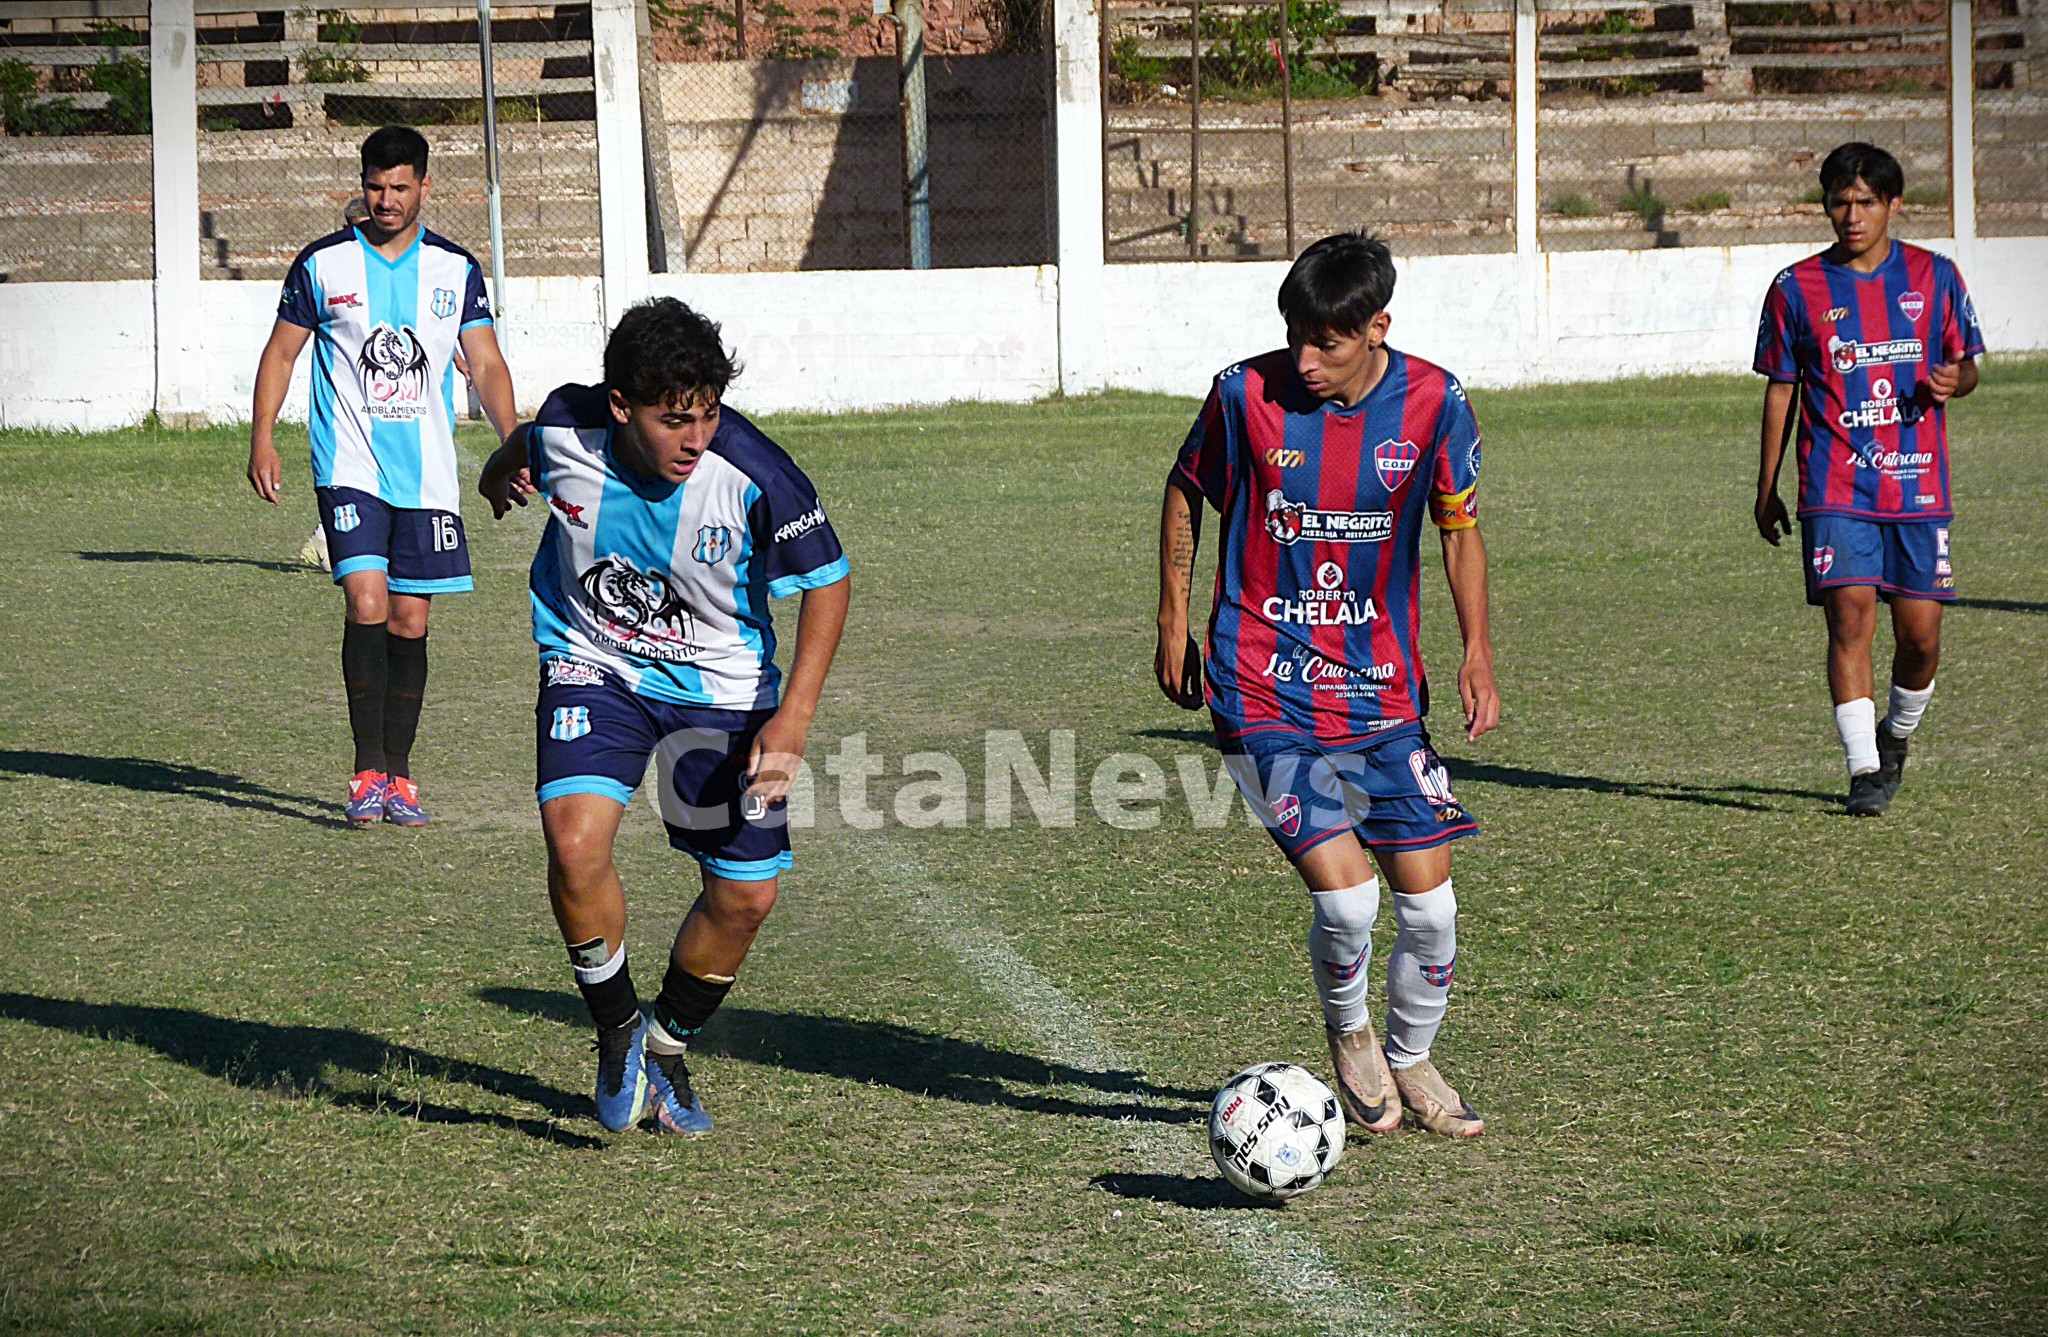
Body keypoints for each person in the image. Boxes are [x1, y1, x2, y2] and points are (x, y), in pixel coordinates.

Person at [1155, 230, 1500, 1139]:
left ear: (1377, 325)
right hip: (1260, 679)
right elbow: (1186, 486)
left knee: (1433, 909)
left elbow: (1459, 529)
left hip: (1382, 692)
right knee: (1348, 898)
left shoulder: (1435, 401)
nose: (1303, 361)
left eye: (1328, 343)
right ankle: (1350, 1035)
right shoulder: (1243, 395)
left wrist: (1476, 648)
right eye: (1294, 336)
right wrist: (1171, 617)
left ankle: (1413, 1057)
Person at [478, 297, 850, 1135]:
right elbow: (515, 452)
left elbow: (829, 582)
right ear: (621, 406)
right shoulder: (568, 425)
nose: (697, 437)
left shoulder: (754, 473)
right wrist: (501, 475)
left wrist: (792, 720)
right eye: (675, 419)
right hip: (593, 660)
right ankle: (614, 1029)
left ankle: (666, 1044)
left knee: (746, 899)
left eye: (709, 414)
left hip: (720, 691)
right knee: (574, 846)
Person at [248, 124, 517, 826]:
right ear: (361, 182)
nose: (387, 198)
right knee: (366, 602)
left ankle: (401, 775)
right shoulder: (322, 264)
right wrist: (262, 437)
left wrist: (513, 441)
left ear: (426, 187)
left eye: (400, 187)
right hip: (349, 466)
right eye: (375, 185)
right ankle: (366, 770)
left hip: (426, 478)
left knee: (409, 616)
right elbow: (281, 354)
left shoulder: (455, 270)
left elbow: (484, 364)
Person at [1753, 141, 1983, 817]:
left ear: (1893, 205)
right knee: (1848, 615)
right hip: (1836, 484)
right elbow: (1780, 392)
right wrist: (1765, 487)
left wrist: (1955, 380)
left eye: (1865, 202)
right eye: (1839, 202)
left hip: (1918, 486)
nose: (1851, 215)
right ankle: (1863, 771)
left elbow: (1967, 365)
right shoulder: (1796, 289)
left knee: (1920, 637)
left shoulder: (1935, 277)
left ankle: (1897, 736)